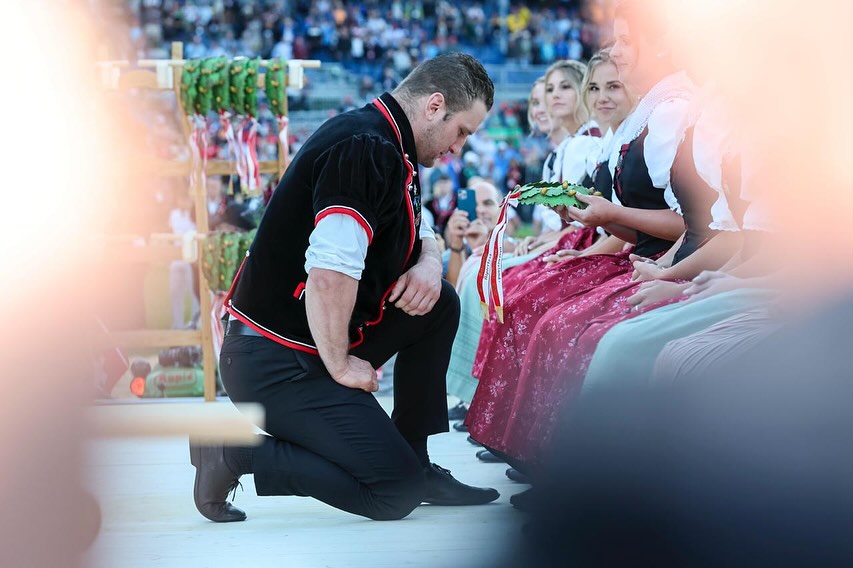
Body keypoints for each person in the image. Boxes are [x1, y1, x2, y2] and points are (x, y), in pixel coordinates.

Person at [189, 52, 500, 523]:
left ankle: (415, 457)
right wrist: (339, 364)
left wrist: (428, 261)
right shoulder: (365, 148)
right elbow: (329, 273)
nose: (458, 147)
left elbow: (419, 226)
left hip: (300, 342)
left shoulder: (387, 140)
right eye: (462, 132)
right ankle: (232, 452)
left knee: (438, 302)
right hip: (274, 361)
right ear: (434, 106)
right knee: (394, 491)